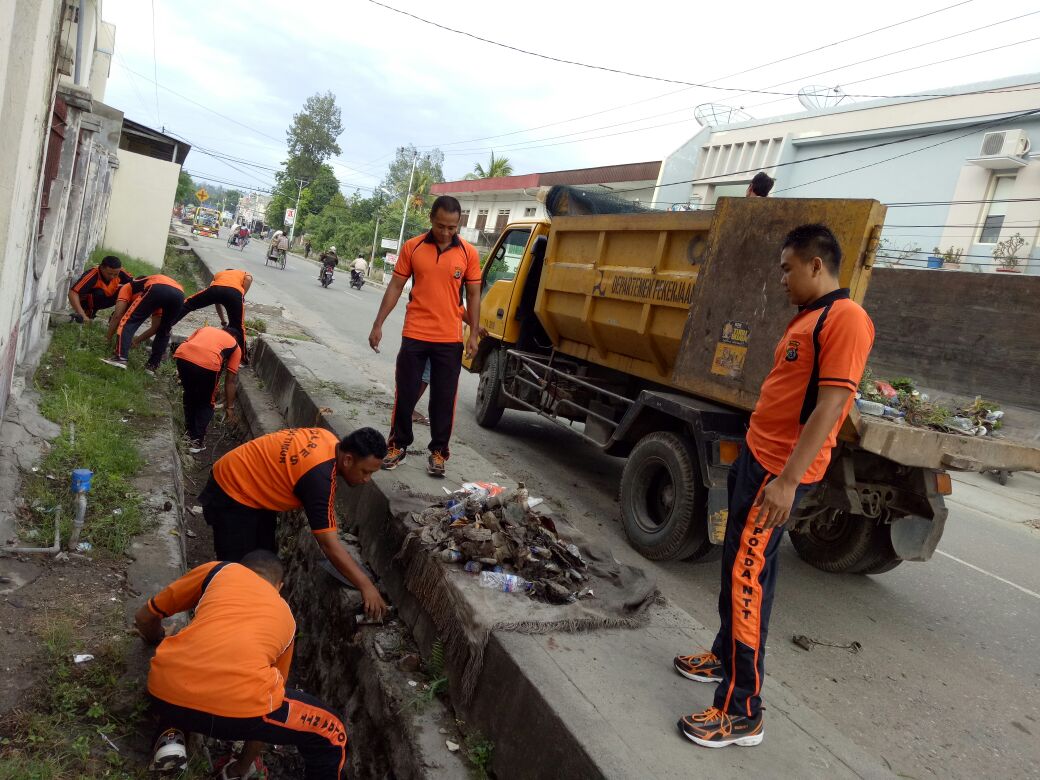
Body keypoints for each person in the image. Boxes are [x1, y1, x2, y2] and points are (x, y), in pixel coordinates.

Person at [674, 224, 874, 748]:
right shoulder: (809, 317)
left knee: (748, 579)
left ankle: (742, 712)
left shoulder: (845, 318)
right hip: (758, 459)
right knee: (741, 569)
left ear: (816, 265)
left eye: (788, 267)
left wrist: (786, 482)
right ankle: (723, 656)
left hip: (779, 474)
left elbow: (832, 406)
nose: (781, 277)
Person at [135, 550, 347, 778]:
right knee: (331, 732)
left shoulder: (218, 571)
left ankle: (170, 735)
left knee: (187, 664)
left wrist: (156, 638)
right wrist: (241, 767)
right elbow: (270, 700)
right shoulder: (286, 616)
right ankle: (235, 772)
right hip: (237, 716)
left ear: (240, 566)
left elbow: (144, 618)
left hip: (164, 691)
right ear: (280, 586)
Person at [198, 427, 389, 618]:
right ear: (348, 460)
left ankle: (253, 612)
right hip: (232, 489)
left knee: (263, 560)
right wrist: (365, 585)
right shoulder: (319, 478)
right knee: (234, 573)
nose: (366, 479)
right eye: (365, 471)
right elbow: (329, 545)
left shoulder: (328, 438)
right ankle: (217, 618)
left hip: (253, 484)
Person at [368, 195, 481, 477]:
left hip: (449, 339)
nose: (446, 232)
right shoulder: (413, 247)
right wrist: (378, 324)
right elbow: (395, 286)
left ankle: (438, 453)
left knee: (443, 399)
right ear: (431, 219)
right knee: (405, 393)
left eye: (452, 227)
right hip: (415, 333)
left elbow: (474, 295)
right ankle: (397, 445)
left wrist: (474, 334)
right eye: (441, 225)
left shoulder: (468, 253)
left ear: (458, 225)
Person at [173, 325, 242, 453]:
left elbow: (187, 343)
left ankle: (188, 434)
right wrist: (230, 407)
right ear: (235, 337)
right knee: (206, 402)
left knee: (189, 395)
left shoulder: (205, 329)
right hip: (208, 364)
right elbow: (230, 380)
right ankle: (196, 441)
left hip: (183, 356)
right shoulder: (236, 346)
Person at [102, 275, 185, 372]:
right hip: (179, 294)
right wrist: (136, 341)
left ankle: (120, 358)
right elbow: (156, 327)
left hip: (158, 287)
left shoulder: (128, 286)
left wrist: (108, 338)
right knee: (165, 329)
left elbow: (117, 315)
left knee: (129, 321)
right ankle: (152, 366)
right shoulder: (153, 292)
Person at [174, 269, 252, 359]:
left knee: (188, 304)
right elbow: (248, 279)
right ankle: (242, 357)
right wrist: (241, 296)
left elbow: (217, 302)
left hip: (215, 289)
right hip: (234, 293)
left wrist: (223, 322)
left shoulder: (219, 274)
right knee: (238, 326)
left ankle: (167, 324)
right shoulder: (244, 273)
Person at [68, 255, 131, 322]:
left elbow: (135, 284)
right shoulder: (92, 274)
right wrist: (83, 316)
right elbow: (72, 293)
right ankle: (87, 312)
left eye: (116, 274)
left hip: (108, 297)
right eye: (109, 274)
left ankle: (116, 317)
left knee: (128, 289)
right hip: (92, 300)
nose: (112, 277)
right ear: (102, 268)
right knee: (98, 293)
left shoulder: (120, 272)